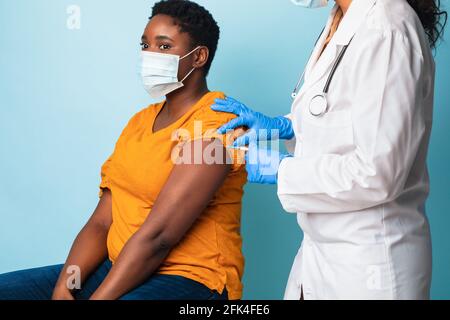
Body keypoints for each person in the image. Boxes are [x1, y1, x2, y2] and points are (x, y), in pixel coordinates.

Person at [0, 0, 247, 300]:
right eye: (145, 44)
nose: (149, 55)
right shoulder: (140, 122)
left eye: (164, 46)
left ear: (199, 57)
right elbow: (103, 221)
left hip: (190, 280)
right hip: (120, 267)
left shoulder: (217, 123)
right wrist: (66, 285)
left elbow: (159, 237)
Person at [212, 0, 447, 299]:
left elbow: (377, 173)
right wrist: (284, 126)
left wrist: (281, 169)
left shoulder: (386, 27)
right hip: (320, 252)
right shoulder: (343, 18)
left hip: (370, 261)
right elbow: (344, 119)